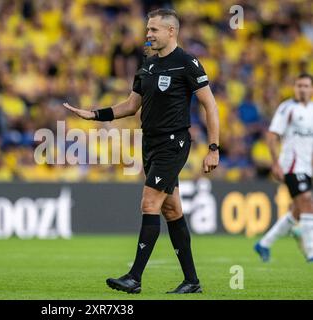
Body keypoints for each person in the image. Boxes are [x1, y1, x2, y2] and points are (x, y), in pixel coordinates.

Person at [63, 9, 219, 294]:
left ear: (171, 31)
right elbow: (130, 106)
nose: (148, 34)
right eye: (148, 29)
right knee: (172, 210)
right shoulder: (147, 66)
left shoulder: (187, 62)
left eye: (154, 30)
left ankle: (134, 277)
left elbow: (210, 105)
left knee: (150, 204)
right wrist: (93, 115)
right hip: (149, 143)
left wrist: (213, 148)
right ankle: (192, 281)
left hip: (174, 143)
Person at [254, 73, 313, 262]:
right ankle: (311, 251)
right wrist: (275, 163)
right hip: (291, 165)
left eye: (306, 86)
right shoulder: (287, 108)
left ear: (311, 89)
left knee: (297, 210)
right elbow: (272, 136)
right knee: (307, 201)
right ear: (294, 87)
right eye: (299, 86)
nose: (302, 89)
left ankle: (264, 244)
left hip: (308, 166)